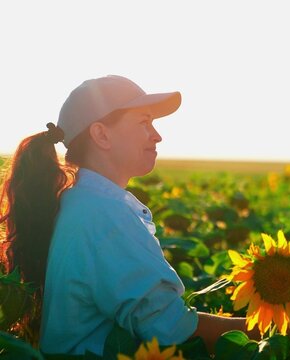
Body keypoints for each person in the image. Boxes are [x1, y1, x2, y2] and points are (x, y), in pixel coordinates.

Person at [0, 75, 255, 356]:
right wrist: (281, 330)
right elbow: (172, 330)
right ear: (101, 135)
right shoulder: (105, 215)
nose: (157, 135)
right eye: (144, 122)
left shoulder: (80, 203)